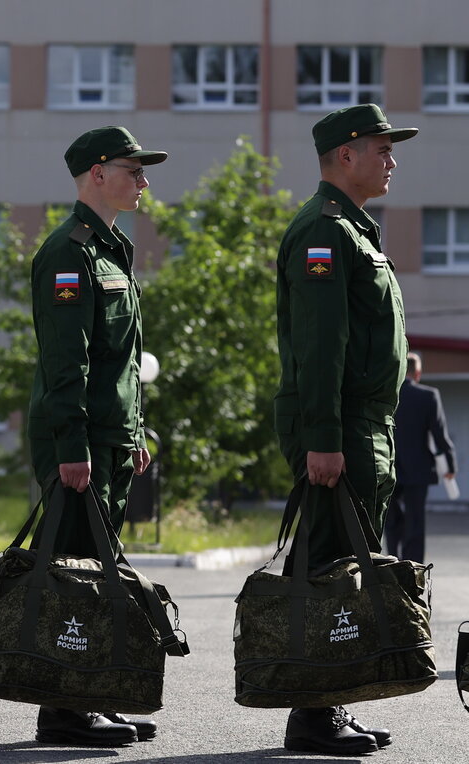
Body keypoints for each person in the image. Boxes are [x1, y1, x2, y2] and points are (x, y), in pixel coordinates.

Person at [273, 103, 415, 756]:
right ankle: (312, 714)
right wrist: (324, 438)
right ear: (346, 156)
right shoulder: (325, 232)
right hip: (341, 430)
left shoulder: (355, 232)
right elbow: (320, 345)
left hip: (364, 428)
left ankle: (333, 703)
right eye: (382, 149)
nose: (392, 161)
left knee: (349, 570)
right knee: (331, 565)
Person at [26, 126, 163, 747]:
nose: (143, 181)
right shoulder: (69, 252)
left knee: (99, 570)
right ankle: (64, 709)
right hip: (79, 445)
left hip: (110, 439)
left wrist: (131, 431)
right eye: (133, 170)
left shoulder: (111, 249)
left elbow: (123, 361)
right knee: (75, 572)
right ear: (97, 174)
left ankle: (89, 696)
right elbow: (67, 363)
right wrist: (74, 447)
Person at [385, 352, 456, 563]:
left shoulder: (386, 394)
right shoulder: (428, 395)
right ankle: (413, 570)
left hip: (388, 468)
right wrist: (450, 465)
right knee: (415, 522)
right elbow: (439, 434)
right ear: (418, 373)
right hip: (418, 469)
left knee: (391, 522)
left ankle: (391, 565)